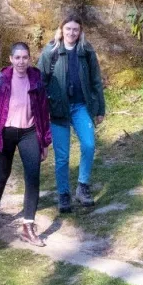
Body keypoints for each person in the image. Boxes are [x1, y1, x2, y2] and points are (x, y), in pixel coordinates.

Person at [0, 41, 51, 246]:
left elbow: (43, 112)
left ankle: (28, 226)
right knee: (3, 174)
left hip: (29, 133)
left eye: (25, 57)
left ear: (29, 59)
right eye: (17, 58)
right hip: (4, 133)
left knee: (33, 176)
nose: (21, 61)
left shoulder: (36, 79)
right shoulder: (1, 81)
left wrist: (44, 142)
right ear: (11, 59)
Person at [37, 13, 105, 213]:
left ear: (80, 31)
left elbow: (96, 81)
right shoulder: (51, 51)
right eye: (68, 29)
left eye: (76, 29)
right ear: (61, 30)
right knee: (62, 157)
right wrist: (40, 111)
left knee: (89, 144)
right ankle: (64, 194)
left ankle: (82, 187)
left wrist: (100, 109)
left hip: (80, 107)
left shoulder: (86, 51)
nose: (72, 33)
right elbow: (39, 83)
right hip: (58, 110)